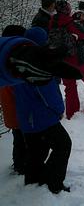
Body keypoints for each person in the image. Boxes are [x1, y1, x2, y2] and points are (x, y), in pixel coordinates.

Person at [13, 27, 72, 194]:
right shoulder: (38, 63)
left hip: (26, 118)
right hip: (41, 117)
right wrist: (59, 109)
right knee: (63, 144)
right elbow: (48, 92)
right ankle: (54, 183)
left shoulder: (18, 60)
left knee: (36, 151)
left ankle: (32, 181)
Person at [50, 0, 84, 119]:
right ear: (67, 9)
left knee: (69, 86)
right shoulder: (69, 22)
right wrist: (82, 22)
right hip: (77, 57)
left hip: (62, 59)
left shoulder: (52, 21)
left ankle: (72, 112)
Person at [0, 25, 28, 176]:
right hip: (19, 113)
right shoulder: (12, 66)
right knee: (22, 140)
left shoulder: (4, 60)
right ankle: (21, 165)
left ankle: (18, 163)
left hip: (11, 111)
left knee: (18, 138)